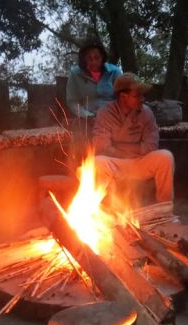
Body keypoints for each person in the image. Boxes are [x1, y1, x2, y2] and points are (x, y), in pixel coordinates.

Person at [93, 73, 175, 203]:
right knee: (97, 162)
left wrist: (118, 146)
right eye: (137, 95)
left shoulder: (146, 113)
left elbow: (151, 146)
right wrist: (132, 150)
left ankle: (164, 208)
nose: (142, 99)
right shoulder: (105, 113)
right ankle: (101, 210)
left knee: (165, 157)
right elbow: (103, 147)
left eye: (143, 95)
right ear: (123, 97)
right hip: (116, 163)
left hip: (139, 162)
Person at [66, 40, 123, 119]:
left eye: (96, 57)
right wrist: (88, 115)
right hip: (87, 119)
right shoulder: (75, 74)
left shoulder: (114, 72)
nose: (93, 61)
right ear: (84, 59)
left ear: (102, 56)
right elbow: (72, 101)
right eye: (89, 58)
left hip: (113, 117)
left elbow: (123, 98)